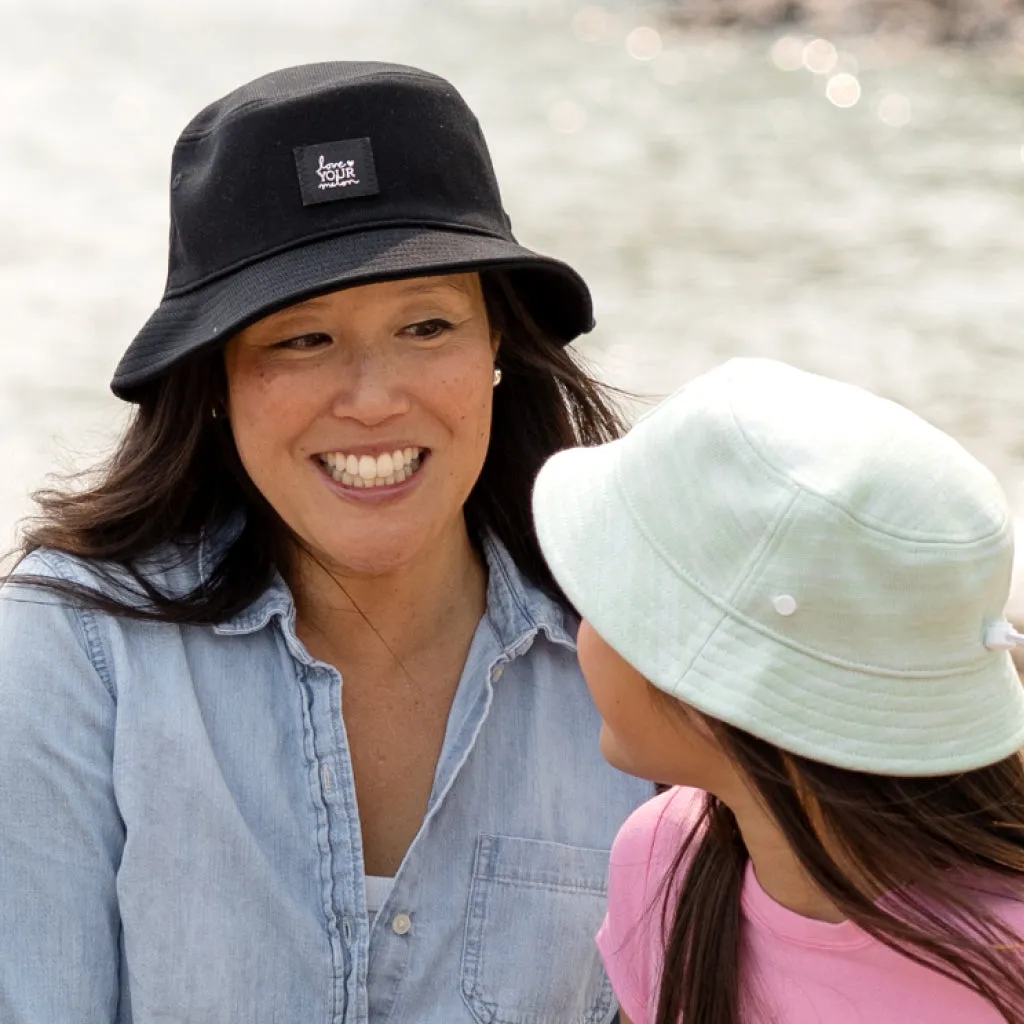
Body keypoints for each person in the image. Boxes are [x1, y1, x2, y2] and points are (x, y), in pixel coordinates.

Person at [0, 62, 652, 1024]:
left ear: (498, 348)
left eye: (426, 324)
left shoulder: (637, 652)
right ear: (214, 379)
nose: (375, 397)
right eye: (302, 340)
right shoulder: (71, 656)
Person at [531, 357, 1024, 1024]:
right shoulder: (660, 858)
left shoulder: (1003, 958)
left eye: (615, 597)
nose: (581, 619)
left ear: (714, 691)